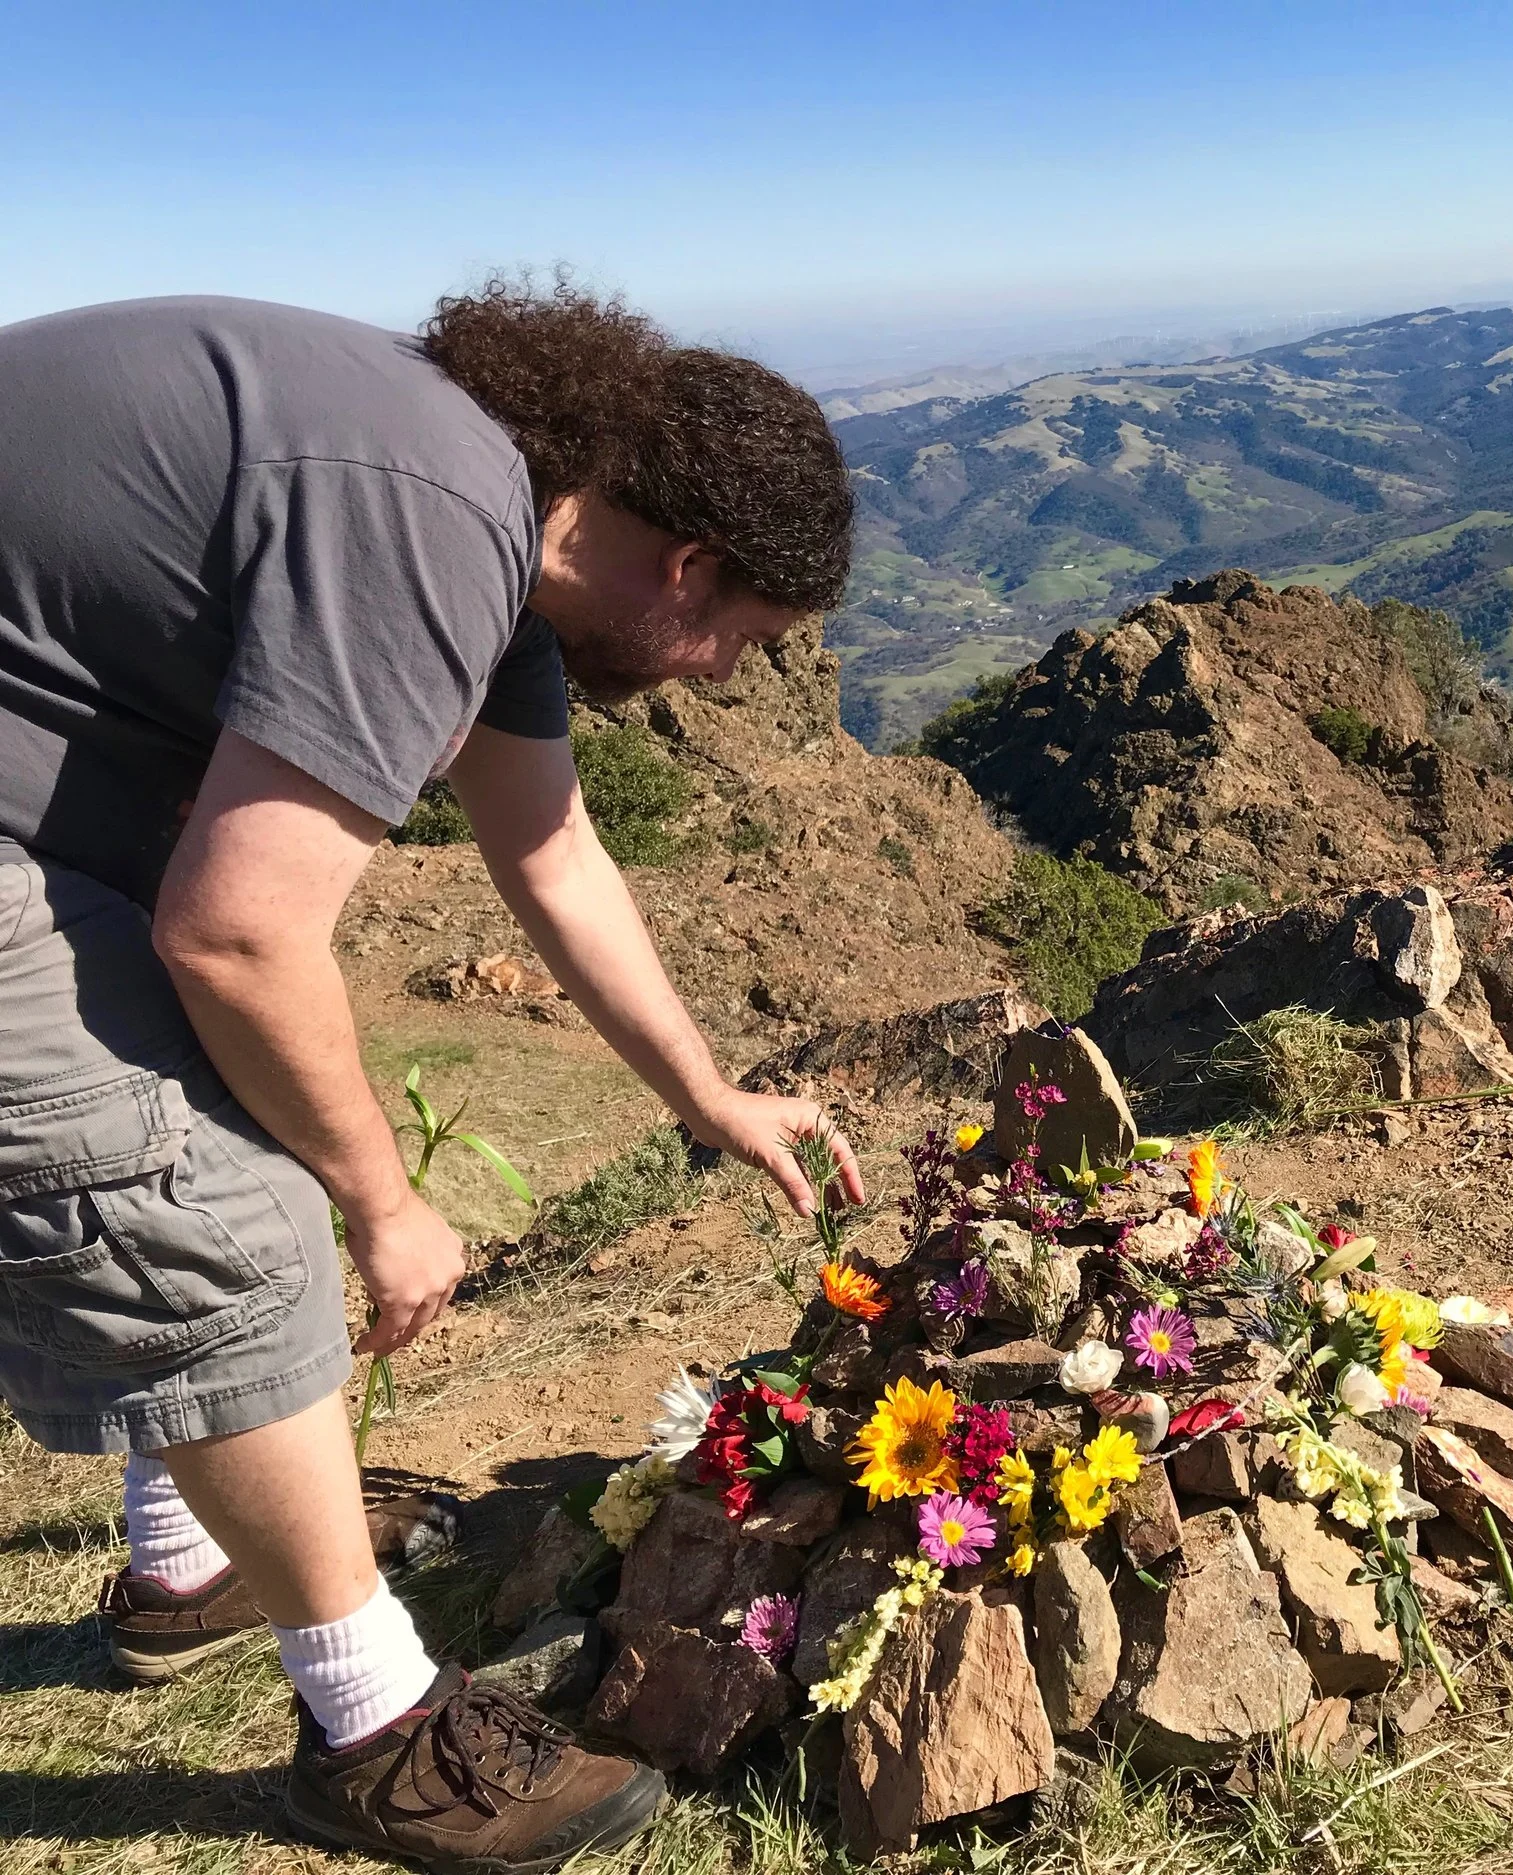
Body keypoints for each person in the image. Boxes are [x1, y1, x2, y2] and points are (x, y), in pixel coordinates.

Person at [0, 279, 869, 1870]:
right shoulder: (430, 519)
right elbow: (242, 936)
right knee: (218, 1203)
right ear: (688, 566)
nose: (727, 680)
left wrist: (707, 1095)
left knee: (197, 1115)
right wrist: (382, 1196)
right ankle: (376, 1732)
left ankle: (189, 1563)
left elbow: (552, 846)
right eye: (744, 642)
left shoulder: (494, 518)